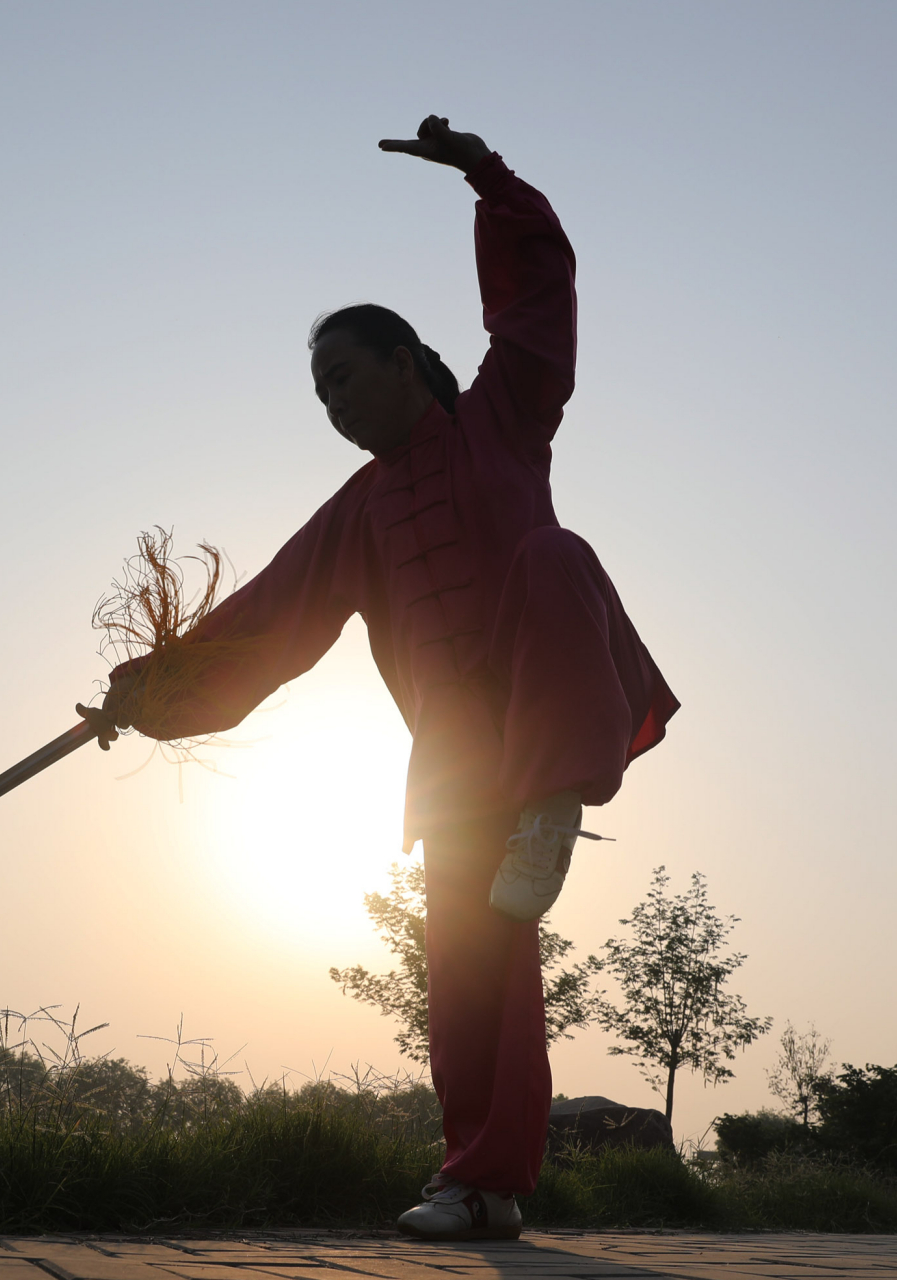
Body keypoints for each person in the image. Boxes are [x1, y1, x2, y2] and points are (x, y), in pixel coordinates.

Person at [93, 116, 679, 1241]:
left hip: (548, 701)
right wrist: (142, 692)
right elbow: (260, 621)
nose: (332, 401)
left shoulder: (501, 421)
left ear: (405, 357)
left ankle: (556, 802)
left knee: (557, 554)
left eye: (343, 373)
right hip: (458, 762)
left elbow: (539, 303)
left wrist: (485, 178)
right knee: (467, 979)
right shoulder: (354, 513)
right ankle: (482, 1185)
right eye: (317, 394)